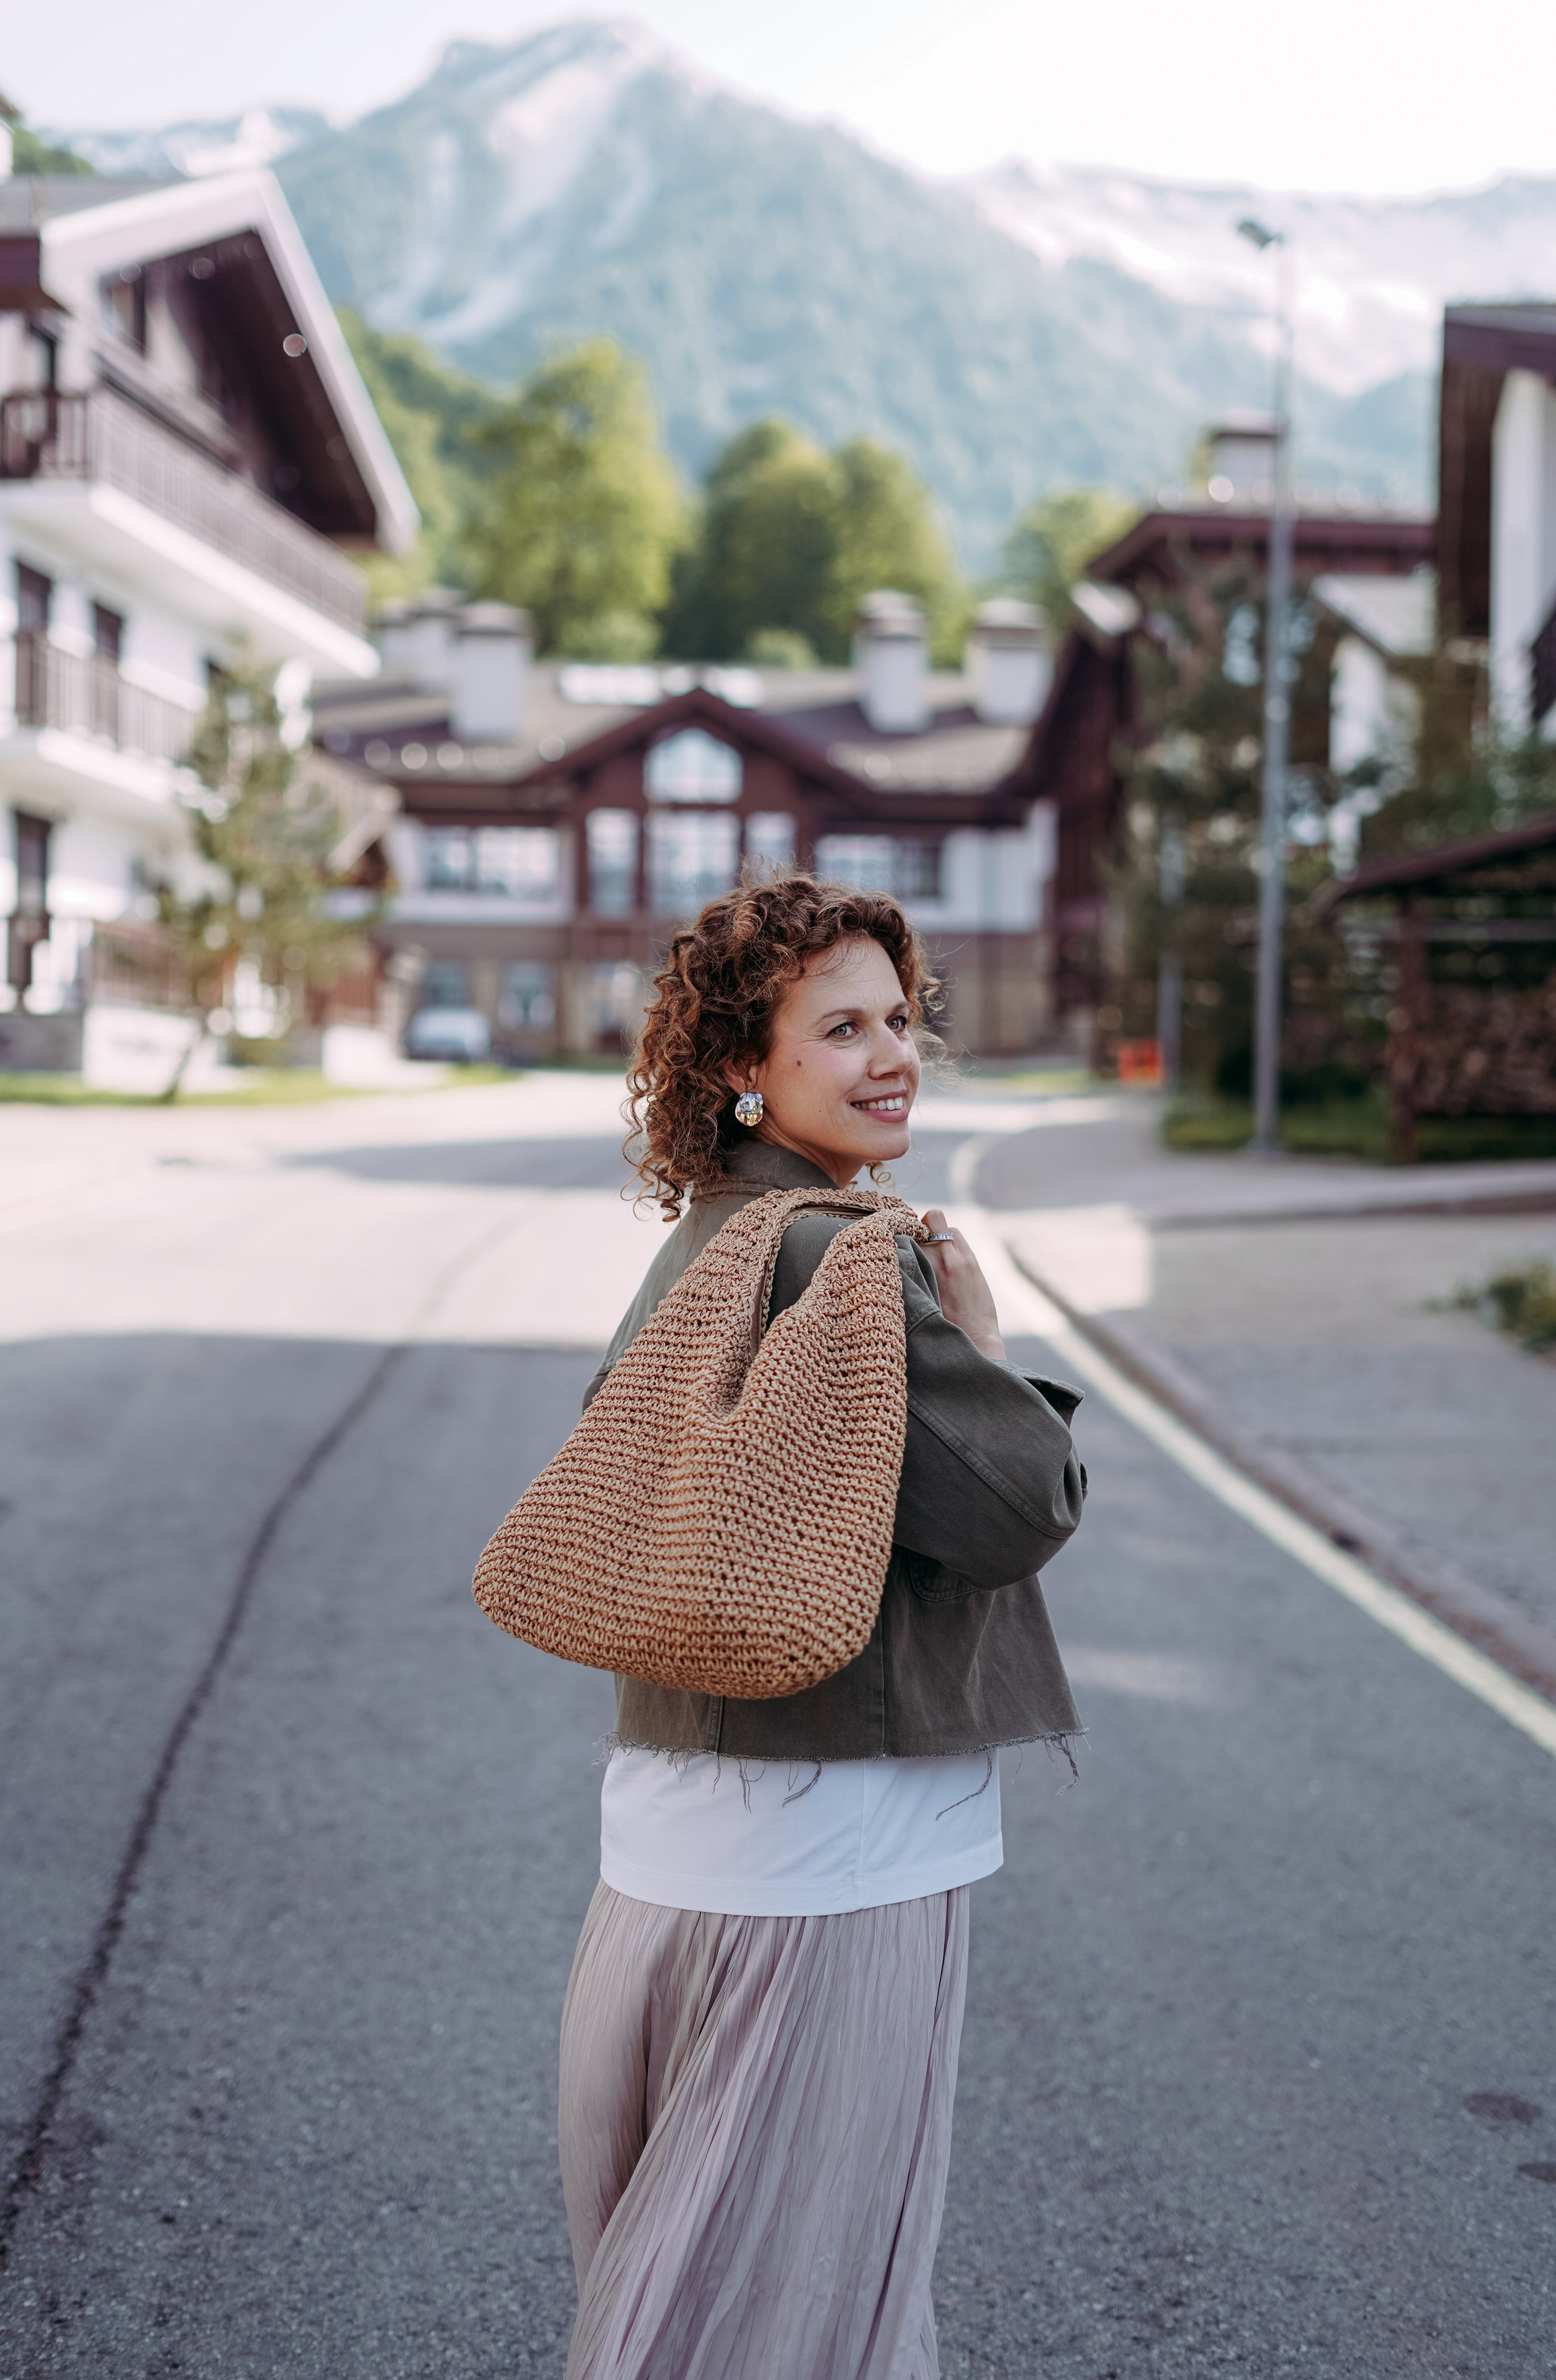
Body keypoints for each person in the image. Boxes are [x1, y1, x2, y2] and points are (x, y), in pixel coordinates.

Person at [555, 875, 1086, 2380]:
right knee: (793, 2316)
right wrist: (985, 1348)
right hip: (834, 1850)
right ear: (744, 1067)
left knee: (677, 2280)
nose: (891, 1054)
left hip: (664, 1837)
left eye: (899, 1018)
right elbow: (1017, 1506)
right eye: (839, 1028)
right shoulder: (846, 1260)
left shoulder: (707, 1247)